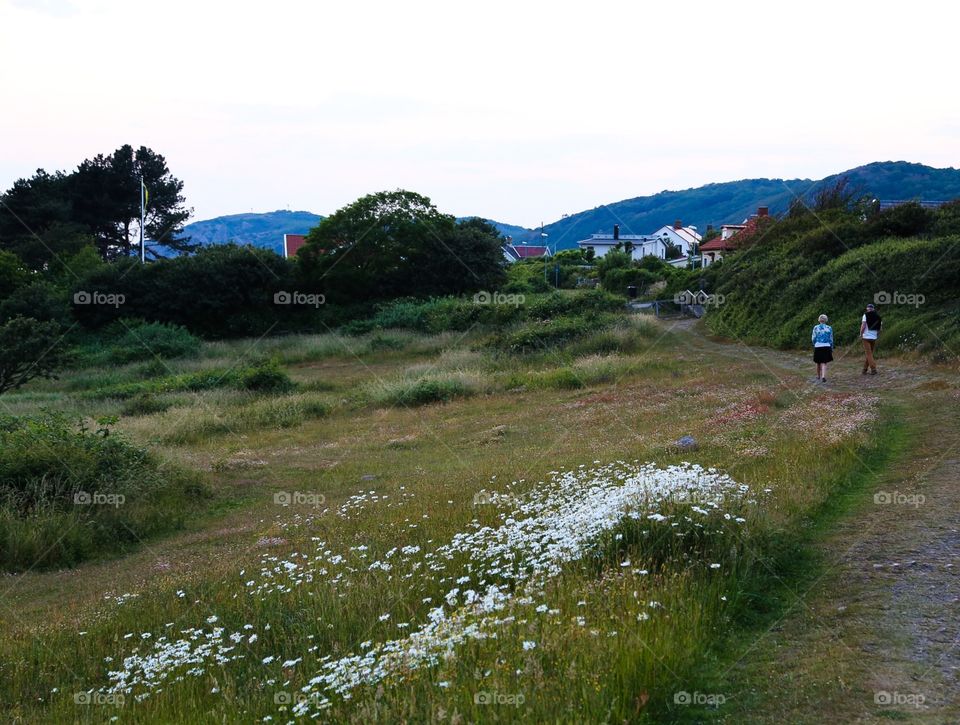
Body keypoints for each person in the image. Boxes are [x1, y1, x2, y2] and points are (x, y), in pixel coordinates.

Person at [860, 303, 882, 375]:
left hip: (866, 337)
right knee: (870, 354)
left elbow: (863, 326)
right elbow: (880, 328)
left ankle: (873, 369)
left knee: (869, 354)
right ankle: (864, 369)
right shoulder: (878, 316)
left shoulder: (865, 315)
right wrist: (877, 335)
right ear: (873, 309)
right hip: (874, 337)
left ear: (867, 309)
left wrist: (861, 334)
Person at [811, 314, 834, 382]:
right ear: (826, 320)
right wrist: (831, 347)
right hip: (827, 346)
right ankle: (823, 376)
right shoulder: (829, 328)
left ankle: (818, 376)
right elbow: (831, 339)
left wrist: (814, 344)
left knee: (818, 362)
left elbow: (813, 338)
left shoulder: (816, 327)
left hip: (818, 346)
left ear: (819, 320)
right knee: (824, 362)